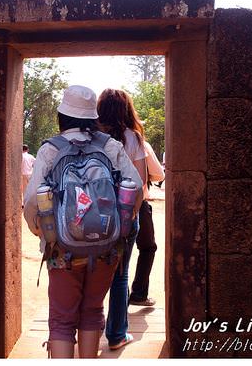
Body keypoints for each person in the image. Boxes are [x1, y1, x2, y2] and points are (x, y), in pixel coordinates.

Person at [23, 85, 143, 359]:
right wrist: (120, 222)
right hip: (106, 249)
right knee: (92, 312)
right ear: (92, 117)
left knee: (63, 320)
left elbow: (31, 201)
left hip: (62, 251)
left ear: (62, 116)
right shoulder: (110, 146)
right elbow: (134, 187)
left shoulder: (51, 150)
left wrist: (42, 231)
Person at [96, 88, 148, 350]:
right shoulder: (133, 138)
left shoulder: (92, 136)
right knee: (120, 275)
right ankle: (116, 334)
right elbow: (140, 183)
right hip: (126, 215)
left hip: (93, 216)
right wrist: (132, 216)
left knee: (90, 271)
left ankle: (85, 331)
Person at [130, 140, 164, 307]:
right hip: (137, 203)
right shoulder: (139, 143)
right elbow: (159, 174)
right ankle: (139, 293)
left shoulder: (102, 140)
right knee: (147, 247)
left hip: (106, 205)